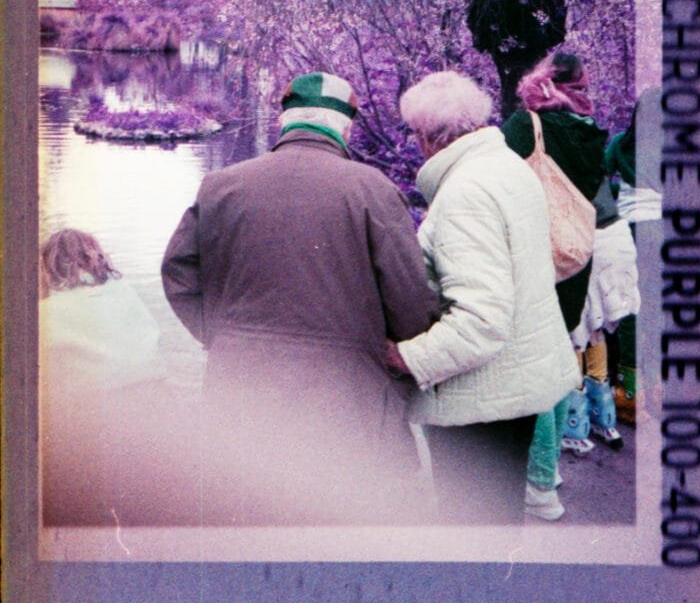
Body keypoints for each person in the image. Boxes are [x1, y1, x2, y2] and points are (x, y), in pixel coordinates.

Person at [161, 71, 438, 525]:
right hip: (344, 396)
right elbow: (409, 301)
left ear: (284, 122)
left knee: (246, 513)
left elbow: (178, 272)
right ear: (345, 128)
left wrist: (220, 334)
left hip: (239, 386)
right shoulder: (373, 189)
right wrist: (403, 353)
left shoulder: (221, 185)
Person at [385, 70, 579, 524]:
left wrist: (406, 358)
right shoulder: (507, 168)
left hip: (481, 403)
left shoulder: (465, 194)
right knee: (499, 520)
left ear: (428, 136)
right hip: (515, 387)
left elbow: (480, 322)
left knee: (473, 526)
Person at [502, 50, 614, 519]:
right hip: (572, 261)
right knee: (552, 357)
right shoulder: (590, 134)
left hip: (532, 260)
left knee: (528, 370)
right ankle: (547, 473)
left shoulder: (527, 126)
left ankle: (541, 481)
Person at [39, 228, 167, 524]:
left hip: (95, 413)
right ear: (96, 258)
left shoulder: (45, 312)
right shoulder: (124, 291)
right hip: (155, 398)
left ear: (48, 266)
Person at [605, 86, 663, 423]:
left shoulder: (620, 144)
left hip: (628, 233)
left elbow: (601, 178)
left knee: (630, 312)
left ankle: (629, 396)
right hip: (662, 233)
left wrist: (620, 192)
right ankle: (657, 390)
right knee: (657, 314)